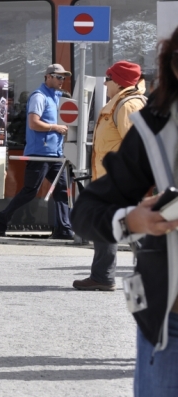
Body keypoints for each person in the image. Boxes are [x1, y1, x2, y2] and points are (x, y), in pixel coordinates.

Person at [71, 28, 178, 396]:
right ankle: (102, 275)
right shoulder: (155, 123)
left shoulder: (129, 105)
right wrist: (130, 219)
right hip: (170, 315)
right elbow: (87, 210)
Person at [73, 60, 146, 291]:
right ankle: (102, 276)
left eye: (108, 78)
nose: (105, 83)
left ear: (118, 81)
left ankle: (159, 274)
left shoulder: (127, 105)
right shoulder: (118, 103)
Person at [0, 64, 73, 239]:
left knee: (62, 190)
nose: (62, 81)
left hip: (55, 153)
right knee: (30, 191)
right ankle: (0, 220)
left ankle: (63, 228)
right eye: (59, 77)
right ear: (48, 77)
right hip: (40, 152)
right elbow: (33, 123)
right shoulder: (39, 96)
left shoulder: (57, 96)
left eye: (64, 78)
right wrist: (56, 128)